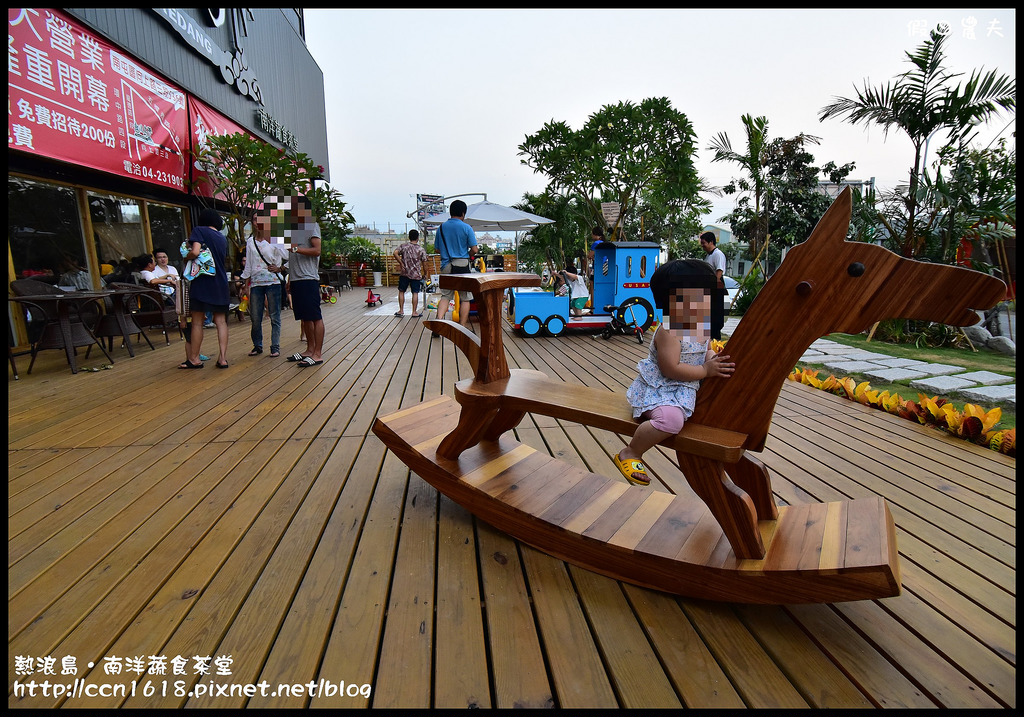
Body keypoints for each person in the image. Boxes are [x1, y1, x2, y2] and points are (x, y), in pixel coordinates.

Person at [614, 259, 735, 486]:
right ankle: (631, 452)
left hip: (686, 388)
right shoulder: (670, 331)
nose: (701, 304)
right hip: (662, 390)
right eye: (692, 298)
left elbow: (705, 351)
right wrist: (705, 370)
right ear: (670, 302)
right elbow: (671, 368)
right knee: (671, 421)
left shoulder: (701, 326)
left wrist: (712, 360)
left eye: (705, 297)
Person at [180, 208, 230, 369]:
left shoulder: (199, 230)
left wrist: (186, 256)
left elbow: (194, 252)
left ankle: (194, 358)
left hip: (203, 283)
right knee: (221, 321)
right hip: (221, 283)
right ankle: (222, 358)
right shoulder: (222, 238)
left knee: (197, 322)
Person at [283, 194, 325, 367]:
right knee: (305, 318)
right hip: (297, 278)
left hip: (308, 278)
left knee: (314, 317)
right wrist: (290, 278)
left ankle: (317, 353)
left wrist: (296, 249)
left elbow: (317, 250)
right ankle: (309, 350)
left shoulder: (311, 226)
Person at [242, 211, 288, 357]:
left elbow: (288, 256)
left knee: (275, 316)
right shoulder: (250, 241)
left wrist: (280, 268)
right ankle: (257, 345)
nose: (258, 222)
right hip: (256, 283)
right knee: (255, 316)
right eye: (255, 219)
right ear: (252, 222)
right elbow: (248, 265)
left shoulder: (275, 238)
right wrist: (245, 284)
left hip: (273, 281)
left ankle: (275, 346)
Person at [432, 199, 478, 333]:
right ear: (463, 213)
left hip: (446, 265)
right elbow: (474, 250)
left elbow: (436, 249)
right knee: (465, 297)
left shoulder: (441, 228)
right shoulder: (466, 228)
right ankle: (462, 327)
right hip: (462, 264)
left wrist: (448, 252)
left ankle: (438, 324)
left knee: (445, 296)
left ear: (450, 212)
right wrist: (466, 254)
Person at [393, 228, 428, 318]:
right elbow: (425, 263)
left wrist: (401, 263)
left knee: (401, 291)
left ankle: (401, 311)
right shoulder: (421, 249)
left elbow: (395, 253)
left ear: (409, 237)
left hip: (404, 273)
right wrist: (425, 273)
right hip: (416, 274)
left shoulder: (403, 246)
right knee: (415, 293)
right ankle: (414, 312)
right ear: (417, 238)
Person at [699, 231, 728, 340]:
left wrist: (713, 287)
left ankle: (716, 338)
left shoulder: (718, 254)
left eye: (704, 243)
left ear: (711, 242)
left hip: (716, 286)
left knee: (715, 314)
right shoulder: (708, 256)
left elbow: (719, 272)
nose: (702, 246)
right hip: (709, 286)